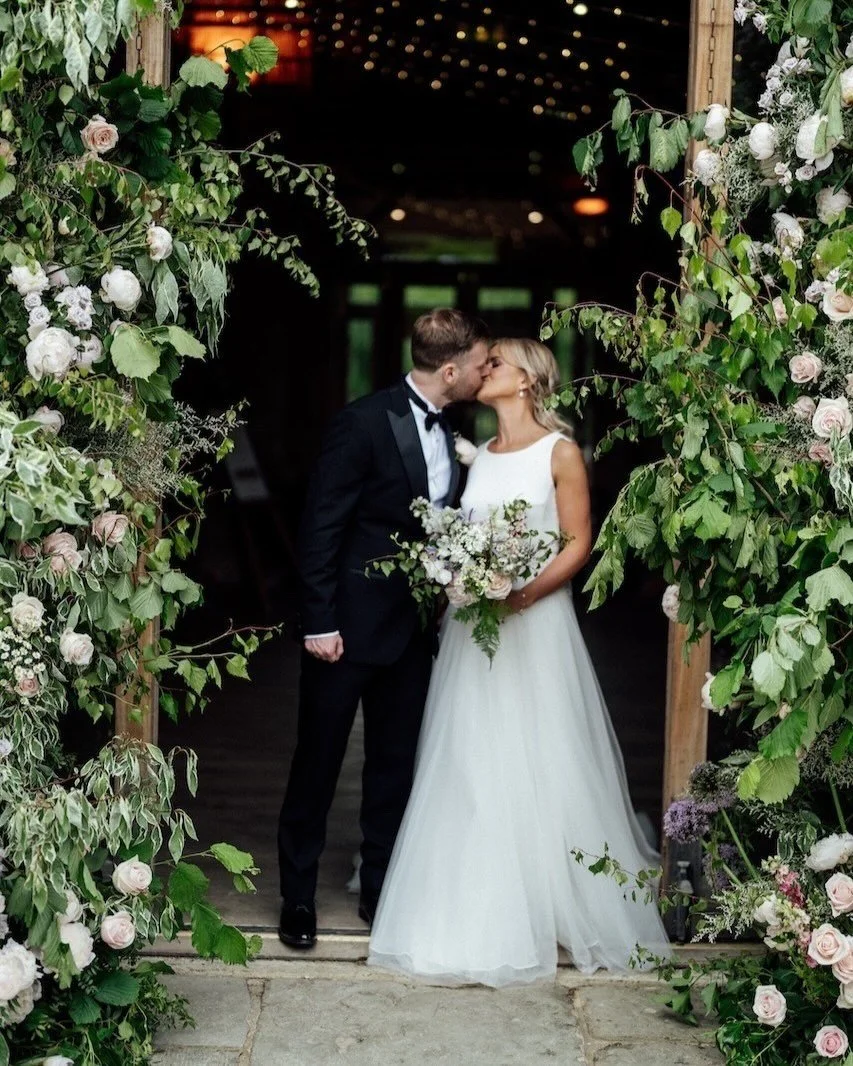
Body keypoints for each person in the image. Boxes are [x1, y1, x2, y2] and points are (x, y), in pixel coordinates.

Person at [367, 337, 670, 985]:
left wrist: (522, 593)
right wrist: (459, 582)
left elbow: (576, 542)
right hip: (473, 633)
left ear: (527, 380)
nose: (484, 370)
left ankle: (555, 896)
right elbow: (465, 538)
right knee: (471, 756)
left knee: (542, 751)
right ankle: (472, 899)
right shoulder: (481, 457)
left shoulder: (558, 453)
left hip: (533, 625)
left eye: (496, 362)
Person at [277, 308, 491, 949]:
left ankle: (380, 894)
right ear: (449, 369)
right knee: (317, 763)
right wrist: (317, 620)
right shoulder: (363, 422)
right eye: (479, 365)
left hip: (413, 632)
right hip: (343, 632)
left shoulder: (456, 429)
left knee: (395, 767)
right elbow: (321, 527)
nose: (484, 374)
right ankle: (297, 899)